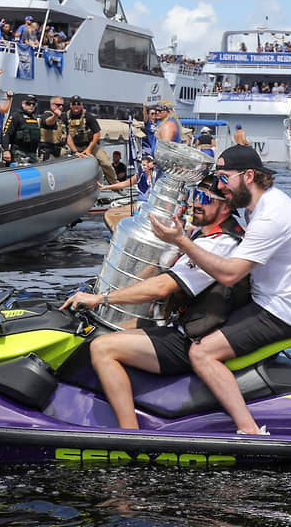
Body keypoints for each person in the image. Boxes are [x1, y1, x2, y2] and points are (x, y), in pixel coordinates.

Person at [149, 145, 291, 435]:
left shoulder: (270, 217)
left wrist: (181, 242)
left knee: (202, 353)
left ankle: (249, 429)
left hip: (280, 311)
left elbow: (229, 274)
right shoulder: (260, 206)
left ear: (249, 176)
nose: (220, 186)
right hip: (270, 298)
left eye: (225, 178)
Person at [60, 175, 246, 430]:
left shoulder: (221, 243)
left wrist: (102, 299)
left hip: (191, 338)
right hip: (183, 325)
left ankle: (130, 433)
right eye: (194, 197)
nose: (195, 204)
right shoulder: (201, 236)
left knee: (102, 347)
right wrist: (103, 284)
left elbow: (162, 287)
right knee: (107, 329)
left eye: (204, 199)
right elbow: (158, 270)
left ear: (226, 207)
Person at [66, 95, 117, 183]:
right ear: (70, 105)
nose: (76, 106)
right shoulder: (65, 117)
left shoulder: (88, 116)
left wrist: (88, 150)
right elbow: (67, 136)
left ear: (81, 105)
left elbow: (97, 134)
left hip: (90, 146)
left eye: (78, 104)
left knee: (106, 162)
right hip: (73, 147)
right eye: (74, 104)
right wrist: (75, 151)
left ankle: (114, 183)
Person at [2, 96, 40, 164]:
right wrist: (6, 150)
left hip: (32, 153)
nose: (31, 106)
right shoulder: (16, 116)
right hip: (19, 152)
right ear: (23, 104)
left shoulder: (35, 117)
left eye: (33, 104)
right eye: (28, 103)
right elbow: (6, 133)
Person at [38, 95, 68, 160]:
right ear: (52, 105)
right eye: (58, 105)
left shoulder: (63, 117)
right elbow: (48, 122)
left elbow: (68, 134)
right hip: (47, 152)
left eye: (62, 105)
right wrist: (55, 116)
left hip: (59, 151)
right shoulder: (46, 115)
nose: (61, 107)